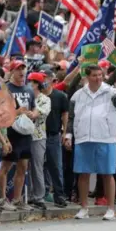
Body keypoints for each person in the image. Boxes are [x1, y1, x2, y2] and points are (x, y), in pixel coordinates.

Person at [65, 64, 116, 221]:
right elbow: (72, 117)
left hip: (105, 138)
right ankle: (84, 208)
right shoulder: (78, 95)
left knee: (108, 174)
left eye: (100, 75)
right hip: (83, 138)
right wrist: (68, 134)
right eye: (94, 75)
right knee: (83, 174)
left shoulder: (111, 92)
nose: (98, 78)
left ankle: (110, 209)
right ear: (87, 77)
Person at [0, 60, 38, 211]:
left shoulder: (29, 89)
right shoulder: (6, 89)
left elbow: (34, 108)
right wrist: (16, 112)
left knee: (23, 167)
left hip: (25, 133)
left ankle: (17, 199)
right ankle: (2, 198)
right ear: (12, 72)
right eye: (18, 69)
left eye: (23, 69)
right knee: (6, 166)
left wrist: (32, 113)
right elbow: (0, 112)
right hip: (10, 133)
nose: (21, 72)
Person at [41, 69, 69, 208]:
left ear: (53, 80)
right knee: (39, 167)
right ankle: (40, 195)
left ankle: (59, 195)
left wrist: (64, 132)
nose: (43, 81)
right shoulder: (36, 95)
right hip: (38, 136)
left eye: (45, 77)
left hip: (53, 135)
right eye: (41, 78)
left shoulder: (60, 96)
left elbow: (65, 114)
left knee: (56, 167)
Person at [26, 72, 51, 211]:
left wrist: (31, 113)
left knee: (37, 167)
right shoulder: (25, 95)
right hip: (23, 136)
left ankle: (39, 197)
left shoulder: (45, 99)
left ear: (37, 84)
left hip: (38, 136)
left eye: (31, 82)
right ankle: (25, 195)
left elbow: (39, 113)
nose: (28, 84)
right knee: (23, 167)